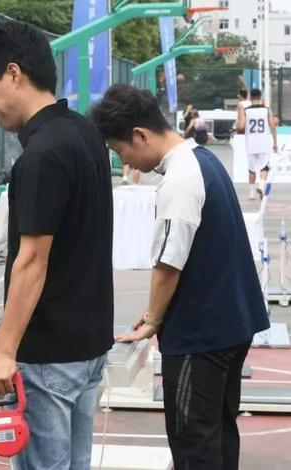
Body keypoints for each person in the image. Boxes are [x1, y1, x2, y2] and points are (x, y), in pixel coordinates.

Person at [90, 84, 270, 470]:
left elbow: (168, 263)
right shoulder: (203, 160)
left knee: (193, 443)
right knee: (220, 433)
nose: (125, 161)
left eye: (120, 151)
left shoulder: (179, 180)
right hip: (232, 325)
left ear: (140, 134)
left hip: (200, 337)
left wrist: (153, 319)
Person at [0, 21, 114, 470]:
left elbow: (32, 260)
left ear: (13, 73)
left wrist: (3, 352)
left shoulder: (41, 155)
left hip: (49, 354)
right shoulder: (85, 134)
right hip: (88, 345)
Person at [236, 88, 278, 200]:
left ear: (250, 97)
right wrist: (275, 142)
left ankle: (251, 193)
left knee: (251, 169)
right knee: (264, 167)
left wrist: (236, 129)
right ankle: (261, 185)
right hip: (263, 142)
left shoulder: (246, 110)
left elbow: (241, 125)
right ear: (260, 97)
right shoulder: (266, 110)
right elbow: (273, 126)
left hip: (250, 143)